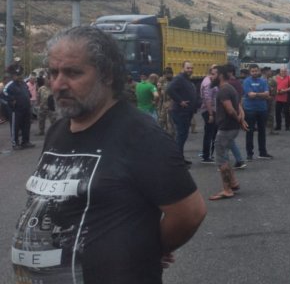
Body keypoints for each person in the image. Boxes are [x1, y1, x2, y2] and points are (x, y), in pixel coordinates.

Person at [11, 25, 206, 283]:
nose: (58, 84)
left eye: (72, 73)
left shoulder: (141, 135)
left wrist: (150, 248)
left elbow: (189, 212)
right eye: (53, 72)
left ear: (107, 75)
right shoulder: (58, 129)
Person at [209, 64, 249, 200]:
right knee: (224, 157)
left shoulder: (223, 90)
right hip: (231, 128)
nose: (210, 77)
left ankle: (227, 190)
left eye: (213, 74)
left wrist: (239, 120)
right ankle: (234, 183)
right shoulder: (230, 88)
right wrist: (241, 120)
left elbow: (230, 109)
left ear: (220, 75)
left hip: (226, 128)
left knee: (221, 159)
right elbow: (238, 106)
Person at [166, 61, 198, 163]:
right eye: (188, 68)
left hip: (186, 112)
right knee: (181, 136)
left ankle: (179, 158)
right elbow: (169, 89)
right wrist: (180, 101)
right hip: (180, 112)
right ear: (182, 68)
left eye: (191, 68)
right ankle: (177, 159)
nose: (190, 70)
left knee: (183, 136)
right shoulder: (179, 78)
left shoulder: (186, 79)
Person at [243, 63, 272, 160]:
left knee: (262, 131)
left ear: (259, 71)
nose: (255, 73)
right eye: (253, 71)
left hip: (262, 109)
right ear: (250, 72)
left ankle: (263, 152)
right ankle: (249, 154)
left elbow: (267, 94)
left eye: (256, 71)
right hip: (250, 110)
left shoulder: (263, 81)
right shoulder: (246, 81)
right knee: (249, 131)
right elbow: (250, 95)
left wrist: (256, 94)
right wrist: (261, 94)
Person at [5, 70, 34, 149]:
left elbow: (27, 91)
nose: (19, 76)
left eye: (20, 75)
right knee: (16, 126)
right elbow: (4, 92)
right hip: (16, 110)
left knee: (26, 125)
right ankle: (15, 143)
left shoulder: (23, 83)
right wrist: (11, 100)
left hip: (26, 108)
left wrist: (28, 96)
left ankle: (25, 142)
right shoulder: (10, 85)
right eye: (17, 75)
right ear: (13, 76)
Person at [200, 65, 218, 164]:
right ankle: (206, 156)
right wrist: (211, 114)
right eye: (214, 73)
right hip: (208, 111)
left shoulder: (210, 81)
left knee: (211, 133)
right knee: (209, 134)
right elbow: (207, 99)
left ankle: (208, 154)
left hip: (210, 110)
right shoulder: (208, 83)